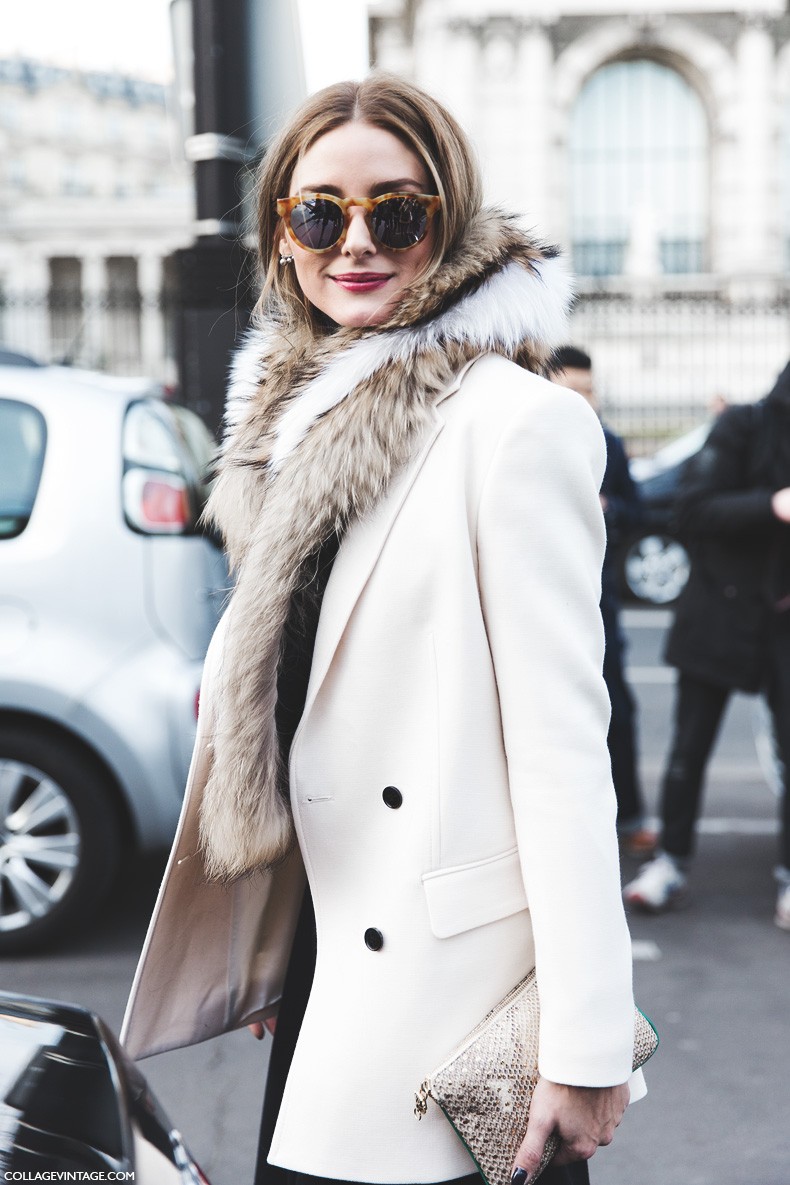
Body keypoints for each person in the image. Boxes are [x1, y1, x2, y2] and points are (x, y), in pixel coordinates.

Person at [121, 74, 645, 1185]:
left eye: (395, 212)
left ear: (445, 221)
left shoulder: (515, 430)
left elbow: (561, 752)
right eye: (321, 212)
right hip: (333, 953)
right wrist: (280, 936)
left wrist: (587, 1042)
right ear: (282, 231)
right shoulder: (289, 433)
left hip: (449, 993)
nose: (354, 243)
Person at [623, 360, 790, 929]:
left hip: (782, 622)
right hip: (719, 614)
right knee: (689, 749)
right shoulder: (746, 426)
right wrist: (772, 504)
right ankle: (670, 862)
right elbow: (693, 508)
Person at [550, 346, 655, 857]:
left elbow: (639, 510)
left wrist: (607, 508)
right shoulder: (530, 436)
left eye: (591, 391)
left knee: (616, 707)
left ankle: (629, 815)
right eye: (574, 391)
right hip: (544, 603)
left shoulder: (607, 441)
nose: (585, 401)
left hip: (599, 600)